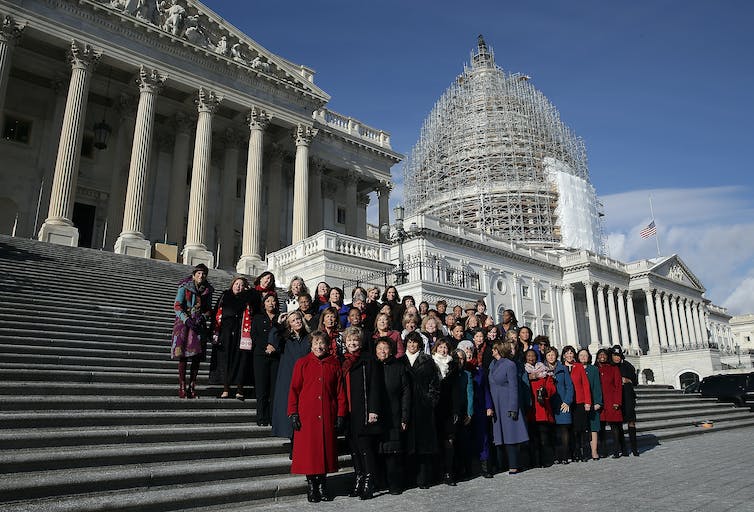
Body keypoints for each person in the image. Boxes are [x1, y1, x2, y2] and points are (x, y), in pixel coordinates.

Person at [287, 330, 347, 502]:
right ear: (311, 345)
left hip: (328, 413)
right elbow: (294, 390)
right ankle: (312, 485)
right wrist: (293, 412)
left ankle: (322, 484)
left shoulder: (334, 364)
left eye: (322, 343)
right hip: (307, 416)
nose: (319, 346)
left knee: (325, 451)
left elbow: (340, 392)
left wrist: (341, 414)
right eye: (316, 343)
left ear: (327, 346)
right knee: (310, 452)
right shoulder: (302, 363)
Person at [342, 326, 382, 500]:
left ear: (360, 342)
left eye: (355, 340)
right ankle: (358, 478)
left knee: (365, 448)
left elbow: (375, 386)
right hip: (348, 411)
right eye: (349, 340)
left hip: (363, 410)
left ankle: (368, 481)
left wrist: (373, 409)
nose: (352, 343)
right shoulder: (343, 361)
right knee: (354, 448)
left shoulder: (368, 360)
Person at [209, 276, 261, 399]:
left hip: (241, 332)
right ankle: (226, 388)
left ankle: (239, 388)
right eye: (236, 284)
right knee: (225, 360)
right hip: (225, 333)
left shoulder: (247, 298)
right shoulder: (224, 296)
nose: (238, 286)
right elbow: (216, 314)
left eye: (242, 285)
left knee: (241, 360)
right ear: (232, 285)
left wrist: (249, 289)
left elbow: (257, 299)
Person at [403, 331, 440, 488]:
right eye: (410, 342)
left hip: (423, 407)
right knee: (408, 445)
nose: (412, 345)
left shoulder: (427, 361)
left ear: (420, 344)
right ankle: (409, 478)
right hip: (406, 407)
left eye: (415, 342)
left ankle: (424, 478)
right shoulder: (401, 360)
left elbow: (435, 383)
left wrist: (430, 400)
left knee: (424, 446)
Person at [374, 337, 411, 495]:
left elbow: (406, 393)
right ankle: (379, 483)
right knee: (377, 451)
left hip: (395, 415)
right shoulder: (373, 366)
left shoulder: (399, 367)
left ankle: (395, 484)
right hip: (376, 416)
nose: (383, 351)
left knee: (393, 453)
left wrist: (404, 416)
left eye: (386, 348)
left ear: (391, 350)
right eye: (380, 348)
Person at [172, 263, 214, 399]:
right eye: (199, 273)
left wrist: (203, 316)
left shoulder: (208, 290)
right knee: (183, 356)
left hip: (198, 325)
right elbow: (177, 306)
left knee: (196, 358)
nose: (201, 276)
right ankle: (182, 386)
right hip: (184, 324)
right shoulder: (184, 287)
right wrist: (186, 319)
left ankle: (192, 385)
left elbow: (208, 309)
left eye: (204, 274)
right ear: (194, 275)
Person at [488, 341, 529, 474]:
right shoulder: (492, 364)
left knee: (511, 434)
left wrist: (513, 407)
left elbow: (514, 386)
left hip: (507, 402)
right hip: (496, 402)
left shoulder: (509, 365)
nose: (492, 351)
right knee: (499, 435)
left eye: (494, 349)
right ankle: (502, 464)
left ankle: (514, 464)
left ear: (500, 350)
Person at [271, 311, 311, 441]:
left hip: (306, 378)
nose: (297, 322)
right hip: (288, 377)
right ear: (290, 325)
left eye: (298, 319)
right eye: (293, 321)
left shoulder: (309, 337)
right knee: (290, 409)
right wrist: (278, 324)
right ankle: (292, 440)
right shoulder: (285, 338)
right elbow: (272, 341)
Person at [432, 339, 463, 486]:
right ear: (436, 348)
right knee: (436, 440)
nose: (443, 350)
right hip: (434, 408)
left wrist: (457, 409)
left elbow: (456, 390)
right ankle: (437, 471)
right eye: (441, 347)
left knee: (449, 441)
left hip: (449, 408)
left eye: (445, 348)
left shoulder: (453, 365)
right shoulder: (430, 363)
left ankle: (449, 472)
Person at [463, 339, 494, 478]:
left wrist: (489, 406)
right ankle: (469, 468)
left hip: (480, 406)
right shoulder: (460, 370)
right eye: (466, 352)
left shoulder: (480, 370)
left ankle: (485, 467)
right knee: (467, 438)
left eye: (470, 351)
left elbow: (485, 389)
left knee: (483, 437)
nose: (468, 354)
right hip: (465, 409)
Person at [524, 349, 556, 468]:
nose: (531, 358)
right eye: (529, 356)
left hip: (542, 408)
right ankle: (533, 460)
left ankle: (544, 459)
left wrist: (546, 392)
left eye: (533, 356)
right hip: (531, 409)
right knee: (533, 438)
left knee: (544, 437)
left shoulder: (544, 370)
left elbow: (551, 387)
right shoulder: (525, 372)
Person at [252, 293, 281, 423]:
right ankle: (261, 416)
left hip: (276, 356)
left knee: (273, 388)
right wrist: (267, 346)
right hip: (260, 355)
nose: (271, 303)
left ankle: (271, 416)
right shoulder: (258, 318)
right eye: (268, 301)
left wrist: (274, 346)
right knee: (261, 387)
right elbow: (255, 336)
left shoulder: (281, 318)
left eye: (273, 301)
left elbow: (283, 335)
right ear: (264, 303)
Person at [544, 346, 574, 464]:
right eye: (548, 355)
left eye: (553, 354)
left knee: (564, 429)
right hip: (550, 404)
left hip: (562, 403)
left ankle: (565, 455)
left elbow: (569, 386)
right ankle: (556, 455)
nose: (551, 357)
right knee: (553, 431)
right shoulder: (543, 368)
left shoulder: (562, 368)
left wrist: (567, 401)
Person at [561, 345, 591, 462]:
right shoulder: (561, 367)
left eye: (571, 353)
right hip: (566, 403)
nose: (569, 355)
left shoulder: (578, 367)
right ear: (563, 355)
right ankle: (572, 453)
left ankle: (581, 452)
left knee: (580, 429)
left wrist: (588, 401)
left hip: (579, 401)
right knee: (570, 429)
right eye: (567, 353)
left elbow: (585, 384)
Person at [611, 345, 639, 456]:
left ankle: (634, 448)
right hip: (617, 398)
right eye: (614, 355)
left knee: (631, 422)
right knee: (618, 424)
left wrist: (627, 380)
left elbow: (635, 382)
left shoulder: (628, 366)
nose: (616, 358)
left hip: (628, 397)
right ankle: (623, 449)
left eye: (618, 355)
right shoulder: (611, 367)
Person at [596, 348, 623, 458]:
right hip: (600, 402)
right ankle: (603, 450)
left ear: (607, 356)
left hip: (611, 401)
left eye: (604, 354)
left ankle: (616, 450)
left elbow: (618, 386)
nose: (602, 356)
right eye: (600, 354)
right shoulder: (595, 369)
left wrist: (617, 401)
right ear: (597, 357)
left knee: (614, 427)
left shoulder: (613, 368)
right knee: (601, 428)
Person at [578, 348, 603, 460]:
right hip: (580, 403)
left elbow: (597, 386)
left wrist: (598, 402)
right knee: (582, 428)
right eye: (581, 355)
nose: (583, 357)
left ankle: (594, 451)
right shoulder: (576, 369)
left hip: (592, 402)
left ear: (589, 357)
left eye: (585, 355)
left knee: (593, 428)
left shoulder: (593, 369)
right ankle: (583, 451)